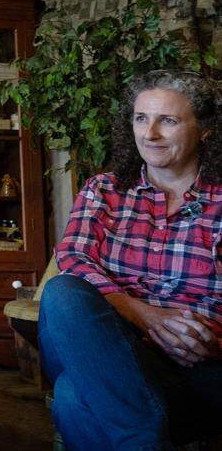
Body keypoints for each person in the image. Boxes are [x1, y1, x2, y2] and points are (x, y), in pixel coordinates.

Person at [39, 70, 222, 450]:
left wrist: (210, 338)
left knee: (74, 396)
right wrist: (145, 315)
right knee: (64, 293)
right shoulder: (104, 189)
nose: (149, 134)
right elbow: (74, 256)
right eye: (141, 118)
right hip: (113, 345)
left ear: (205, 129)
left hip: (196, 367)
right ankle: (142, 440)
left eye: (167, 120)